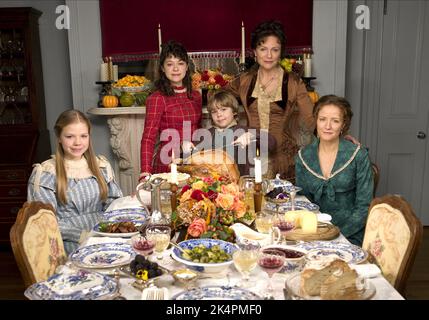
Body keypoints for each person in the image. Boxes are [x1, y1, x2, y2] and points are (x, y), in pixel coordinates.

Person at [226, 20, 315, 182]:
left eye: (275, 50)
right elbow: (219, 99)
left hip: (282, 160)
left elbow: (312, 118)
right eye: (263, 49)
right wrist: (234, 126)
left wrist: (340, 136)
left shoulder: (294, 82)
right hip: (249, 157)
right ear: (254, 52)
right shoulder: (244, 81)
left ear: (280, 52)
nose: (269, 55)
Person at [27, 110, 123, 255]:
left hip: (104, 235)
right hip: (67, 243)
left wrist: (111, 228)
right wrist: (86, 236)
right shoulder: (46, 173)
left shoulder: (101, 166)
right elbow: (46, 222)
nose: (78, 142)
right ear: (59, 137)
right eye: (69, 136)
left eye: (83, 136)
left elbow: (114, 204)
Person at [295, 95, 373, 246]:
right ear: (316, 121)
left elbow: (364, 206)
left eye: (335, 121)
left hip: (350, 234)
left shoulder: (358, 155)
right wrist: (316, 234)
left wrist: (338, 233)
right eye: (322, 119)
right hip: (315, 233)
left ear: (343, 125)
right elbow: (304, 203)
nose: (327, 126)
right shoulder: (303, 157)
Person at [140, 40, 202, 177]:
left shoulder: (196, 96)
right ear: (162, 68)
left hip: (193, 162)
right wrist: (145, 172)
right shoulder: (157, 98)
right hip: (168, 161)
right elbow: (148, 138)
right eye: (170, 64)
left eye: (180, 63)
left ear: (187, 67)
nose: (175, 69)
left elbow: (199, 131)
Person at [191, 90, 276, 176]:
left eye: (223, 109)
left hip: (240, 182)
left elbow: (272, 142)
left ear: (234, 111)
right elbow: (192, 156)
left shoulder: (245, 131)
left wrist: (252, 135)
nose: (219, 114)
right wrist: (186, 147)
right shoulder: (206, 134)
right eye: (214, 111)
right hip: (210, 182)